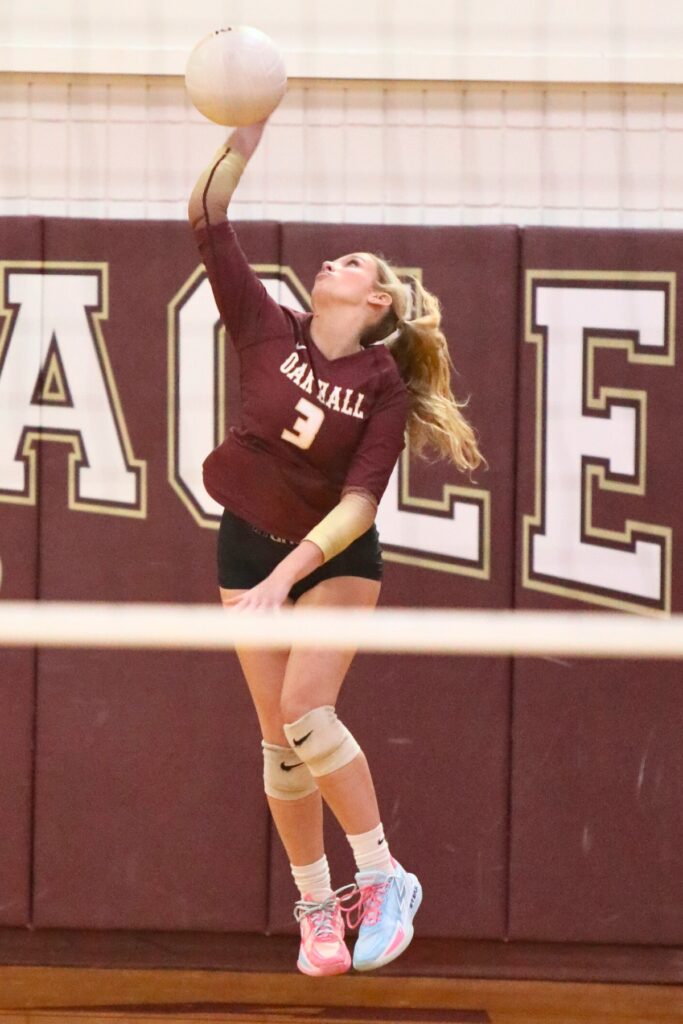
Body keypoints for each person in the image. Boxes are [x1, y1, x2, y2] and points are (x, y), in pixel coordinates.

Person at [188, 116, 484, 977]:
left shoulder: (380, 383)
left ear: (376, 300)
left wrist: (286, 577)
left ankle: (384, 877)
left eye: (351, 263)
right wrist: (241, 141)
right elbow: (206, 218)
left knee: (306, 713)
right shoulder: (265, 326)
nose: (331, 263)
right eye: (332, 259)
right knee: (279, 744)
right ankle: (316, 907)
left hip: (331, 561)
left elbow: (358, 506)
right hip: (247, 546)